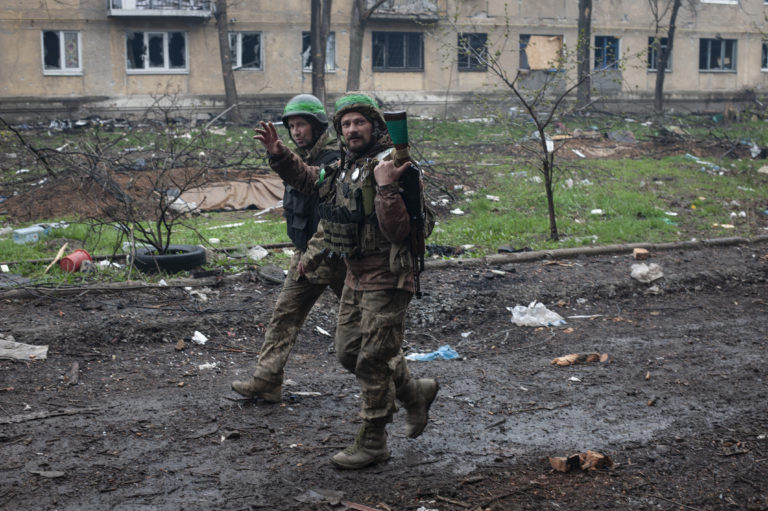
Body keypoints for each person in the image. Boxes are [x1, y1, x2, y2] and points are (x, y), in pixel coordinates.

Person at [254, 93, 438, 469]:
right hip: (354, 275)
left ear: (375, 127)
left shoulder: (396, 167)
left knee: (372, 360)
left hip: (387, 276)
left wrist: (387, 189)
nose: (352, 130)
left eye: (359, 123)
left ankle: (373, 440)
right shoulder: (345, 166)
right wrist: (280, 155)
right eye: (346, 124)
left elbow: (404, 229)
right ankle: (414, 393)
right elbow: (310, 181)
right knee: (348, 354)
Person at [231, 94, 346, 402]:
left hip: (336, 255)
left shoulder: (335, 158)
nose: (296, 131)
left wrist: (282, 156)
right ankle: (267, 380)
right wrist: (280, 154)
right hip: (305, 255)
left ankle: (401, 385)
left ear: (318, 126)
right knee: (285, 315)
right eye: (292, 125)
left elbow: (314, 184)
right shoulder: (297, 158)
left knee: (363, 327)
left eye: (302, 125)